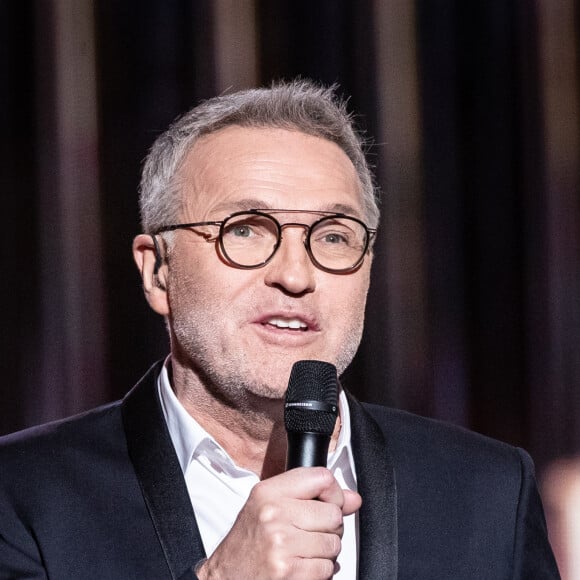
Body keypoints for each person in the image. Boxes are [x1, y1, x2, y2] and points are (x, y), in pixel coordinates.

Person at [0, 80, 559, 579]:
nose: (296, 275)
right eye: (244, 230)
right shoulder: (23, 493)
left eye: (334, 236)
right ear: (157, 271)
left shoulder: (487, 491)